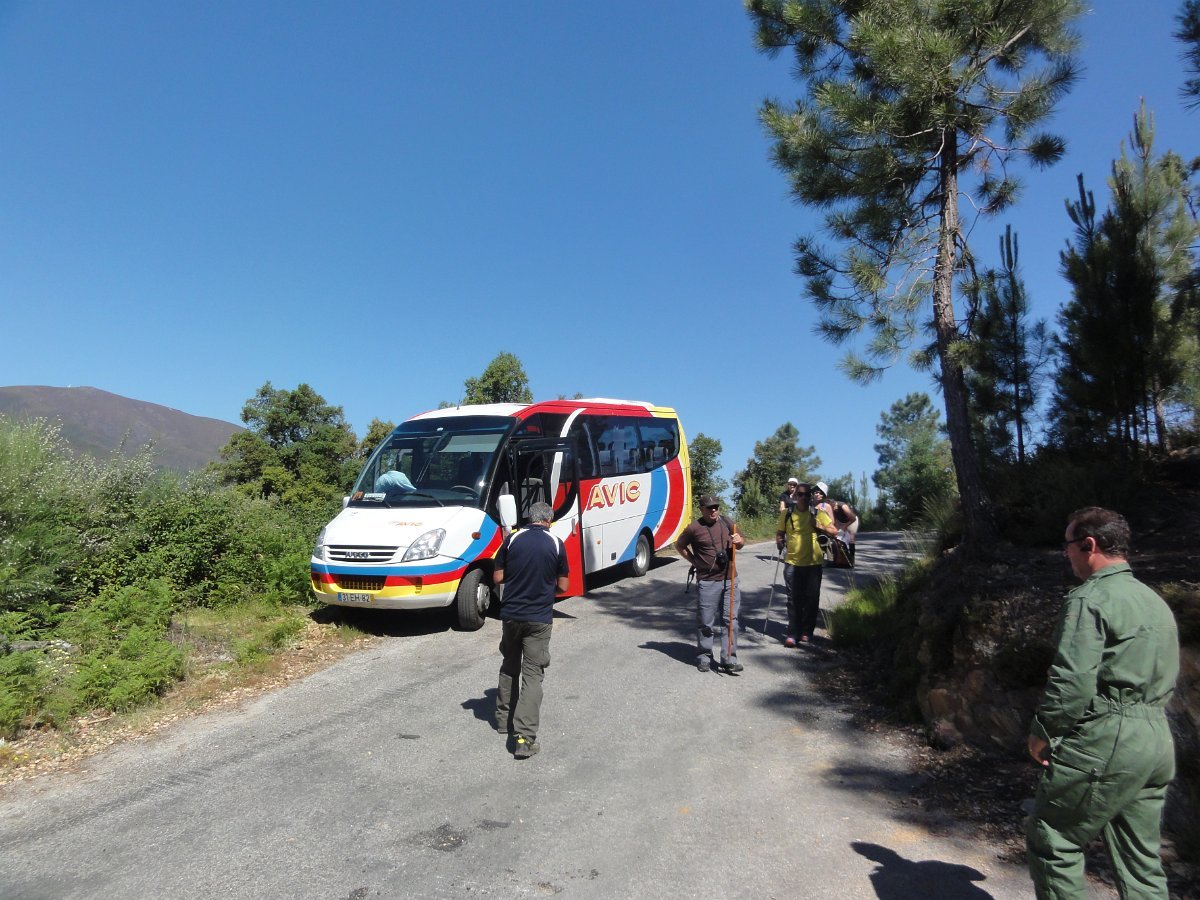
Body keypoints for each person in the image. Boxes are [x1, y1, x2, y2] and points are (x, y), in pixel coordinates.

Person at [1026, 507, 1179, 899]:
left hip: (1108, 736)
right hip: (1156, 742)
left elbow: (1072, 681)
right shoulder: (1154, 601)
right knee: (1141, 863)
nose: (1066, 554)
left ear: (1089, 544)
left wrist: (1044, 732)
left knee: (1054, 838)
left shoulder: (1089, 599)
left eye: (1067, 545)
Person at [493, 500, 570, 759]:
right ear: (548, 520)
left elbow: (498, 577)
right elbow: (564, 585)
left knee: (509, 665)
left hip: (511, 615)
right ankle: (524, 738)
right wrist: (545, 589)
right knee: (533, 675)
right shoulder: (556, 543)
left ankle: (503, 721)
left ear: (530, 518)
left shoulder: (512, 540)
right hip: (539, 618)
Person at [675, 494, 746, 673]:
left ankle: (729, 658)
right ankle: (704, 656)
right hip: (707, 581)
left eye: (716, 507)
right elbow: (680, 546)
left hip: (730, 579)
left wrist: (739, 541)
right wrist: (694, 562)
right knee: (706, 622)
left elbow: (741, 543)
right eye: (709, 507)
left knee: (730, 620)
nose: (714, 510)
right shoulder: (694, 528)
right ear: (702, 509)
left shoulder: (727, 522)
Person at [776, 483, 836, 644]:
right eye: (800, 494)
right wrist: (780, 541)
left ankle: (807, 631)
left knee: (811, 600)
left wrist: (818, 525)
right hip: (792, 563)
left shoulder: (818, 513)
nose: (804, 497)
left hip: (813, 563)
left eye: (807, 494)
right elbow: (780, 533)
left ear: (810, 496)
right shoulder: (787, 513)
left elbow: (834, 531)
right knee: (793, 600)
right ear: (795, 496)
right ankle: (792, 634)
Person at [812, 482, 858, 566]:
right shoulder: (810, 504)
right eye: (816, 492)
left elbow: (832, 521)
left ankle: (850, 558)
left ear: (824, 495)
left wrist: (844, 526)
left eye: (820, 493)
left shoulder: (828, 506)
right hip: (825, 526)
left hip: (850, 521)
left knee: (850, 538)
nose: (818, 494)